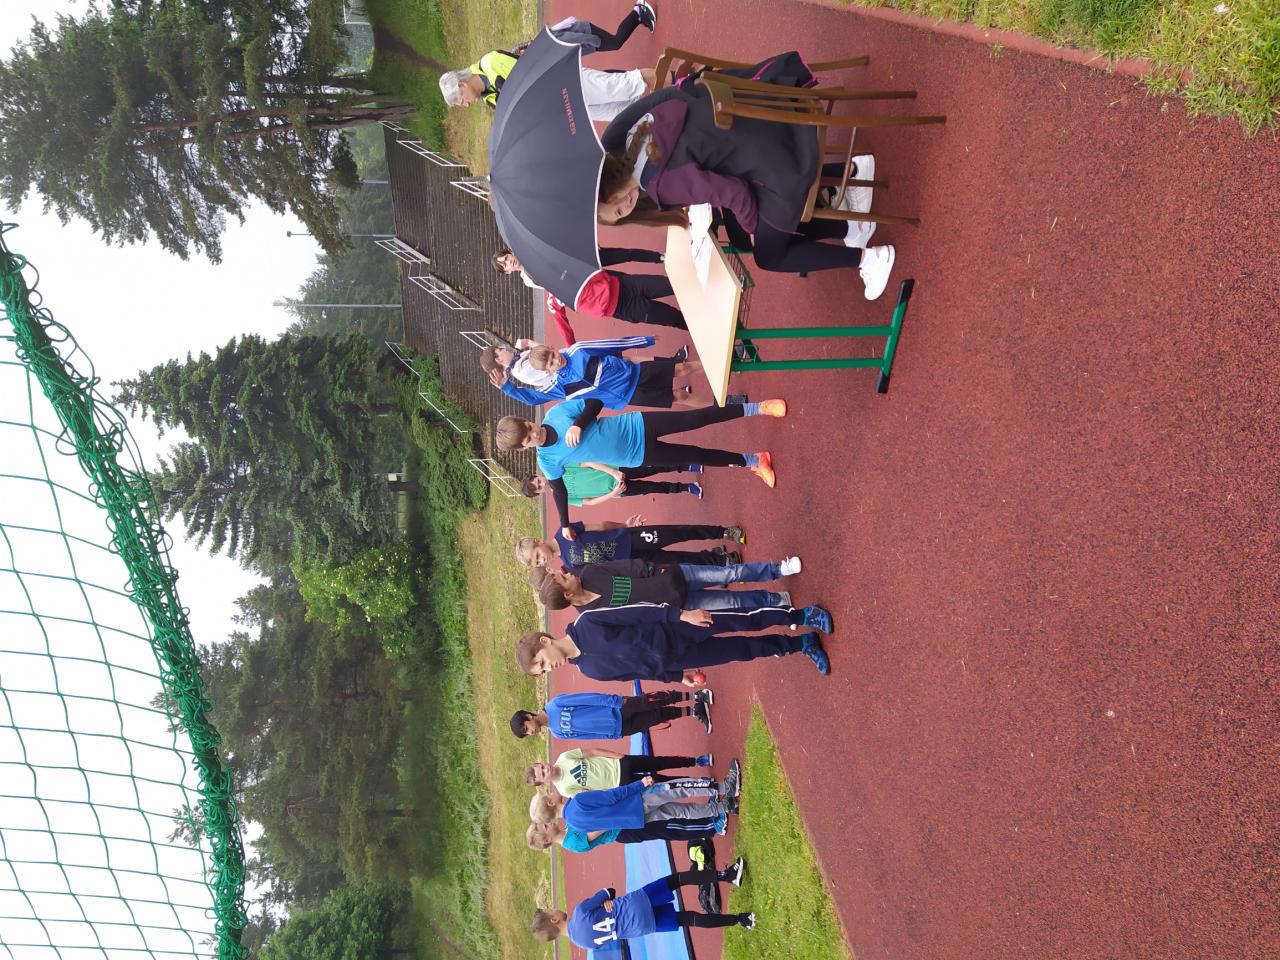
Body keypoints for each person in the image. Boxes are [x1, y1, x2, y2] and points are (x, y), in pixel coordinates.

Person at [594, 53, 897, 299]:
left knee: (767, 254)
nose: (626, 209)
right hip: (767, 105)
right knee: (742, 231)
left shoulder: (659, 183)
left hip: (781, 156)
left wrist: (753, 226)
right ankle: (848, 182)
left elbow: (735, 192)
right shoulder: (638, 133)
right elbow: (680, 96)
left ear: (614, 193)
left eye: (618, 209)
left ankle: (869, 259)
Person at [496, 398, 785, 533]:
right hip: (638, 456)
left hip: (638, 424)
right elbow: (559, 491)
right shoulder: (547, 461)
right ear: (523, 448)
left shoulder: (556, 414)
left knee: (697, 418)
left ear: (528, 420)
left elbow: (595, 403)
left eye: (529, 427)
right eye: (528, 439)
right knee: (697, 455)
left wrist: (579, 424)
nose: (534, 433)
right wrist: (565, 525)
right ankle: (754, 460)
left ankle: (758, 407)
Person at [438, 5, 657, 121]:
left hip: (559, 61)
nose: (465, 105)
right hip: (558, 92)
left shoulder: (490, 63)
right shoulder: (489, 99)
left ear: (461, 85)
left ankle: (639, 12)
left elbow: (527, 77)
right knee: (611, 90)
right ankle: (646, 82)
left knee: (613, 50)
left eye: (461, 100)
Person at [515, 601, 836, 680]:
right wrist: (676, 676)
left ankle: (802, 615)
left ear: (544, 641)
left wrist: (682, 615)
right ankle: (802, 644)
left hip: (677, 628)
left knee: (744, 619)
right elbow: (637, 673)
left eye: (542, 663)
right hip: (677, 660)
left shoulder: (586, 622)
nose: (548, 669)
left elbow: (637, 612)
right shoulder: (589, 671)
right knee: (742, 650)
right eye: (542, 672)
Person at [531, 865, 755, 947]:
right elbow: (609, 892)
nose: (555, 907)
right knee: (677, 880)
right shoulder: (579, 912)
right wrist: (606, 900)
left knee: (690, 919)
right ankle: (728, 876)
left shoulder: (583, 943)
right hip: (635, 904)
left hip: (642, 927)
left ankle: (742, 920)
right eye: (551, 909)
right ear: (554, 919)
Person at [493, 247, 689, 333]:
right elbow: (560, 303)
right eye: (506, 264)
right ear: (508, 272)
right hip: (607, 301)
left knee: (626, 257)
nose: (510, 262)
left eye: (507, 258)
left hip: (600, 276)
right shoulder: (530, 281)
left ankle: (659, 257)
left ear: (510, 252)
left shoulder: (533, 251)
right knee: (670, 317)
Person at [481, 336, 699, 409]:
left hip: (629, 372)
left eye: (553, 355)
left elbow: (610, 344)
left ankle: (718, 364)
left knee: (681, 369)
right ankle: (719, 403)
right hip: (625, 395)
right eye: (500, 350)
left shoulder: (576, 351)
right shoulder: (556, 384)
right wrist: (508, 388)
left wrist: (643, 340)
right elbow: (533, 398)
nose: (555, 361)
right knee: (677, 396)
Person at [530, 556, 800, 612]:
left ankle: (777, 569)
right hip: (678, 605)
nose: (568, 573)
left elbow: (628, 566)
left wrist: (655, 569)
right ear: (567, 595)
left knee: (729, 573)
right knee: (732, 602)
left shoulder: (589, 572)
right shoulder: (590, 614)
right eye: (564, 578)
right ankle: (774, 600)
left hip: (675, 575)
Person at [516, 519, 744, 571]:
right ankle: (720, 560)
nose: (542, 560)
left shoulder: (564, 532)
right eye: (537, 562)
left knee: (677, 533)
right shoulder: (569, 564)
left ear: (538, 541)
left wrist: (625, 525)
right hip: (632, 561)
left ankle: (723, 532)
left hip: (631, 538)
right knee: (678, 560)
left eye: (537, 555)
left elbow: (599, 526)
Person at [561, 776, 737, 837]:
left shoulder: (576, 825)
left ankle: (722, 807)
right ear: (550, 802)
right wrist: (640, 784)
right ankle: (726, 787)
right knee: (680, 788)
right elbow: (611, 797)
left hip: (636, 819)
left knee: (680, 812)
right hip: (637, 800)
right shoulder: (577, 802)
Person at [509, 689, 714, 741]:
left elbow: (587, 698)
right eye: (526, 734)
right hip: (617, 729)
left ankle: (694, 695)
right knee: (655, 718)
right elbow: (586, 736)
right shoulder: (556, 733)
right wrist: (610, 735)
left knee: (650, 702)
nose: (530, 732)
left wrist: (613, 701)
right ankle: (693, 711)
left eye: (526, 728)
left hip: (616, 708)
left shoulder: (555, 705)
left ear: (528, 716)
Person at [525, 748, 718, 797]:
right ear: (544, 783)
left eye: (542, 766)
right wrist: (617, 793)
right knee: (661, 781)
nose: (546, 769)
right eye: (543, 774)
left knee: (658, 761)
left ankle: (696, 760)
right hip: (620, 784)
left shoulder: (564, 757)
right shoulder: (565, 789)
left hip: (620, 763)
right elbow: (592, 794)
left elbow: (592, 752)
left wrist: (617, 755)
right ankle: (698, 781)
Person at [520, 466, 703, 505]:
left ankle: (686, 465)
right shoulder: (561, 498)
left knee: (653, 468)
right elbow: (590, 501)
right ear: (539, 493)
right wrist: (614, 492)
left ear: (538, 475)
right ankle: (687, 487)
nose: (542, 484)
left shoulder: (559, 469)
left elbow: (587, 463)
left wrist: (613, 472)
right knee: (653, 488)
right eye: (539, 487)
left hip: (617, 470)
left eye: (538, 481)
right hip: (618, 490)